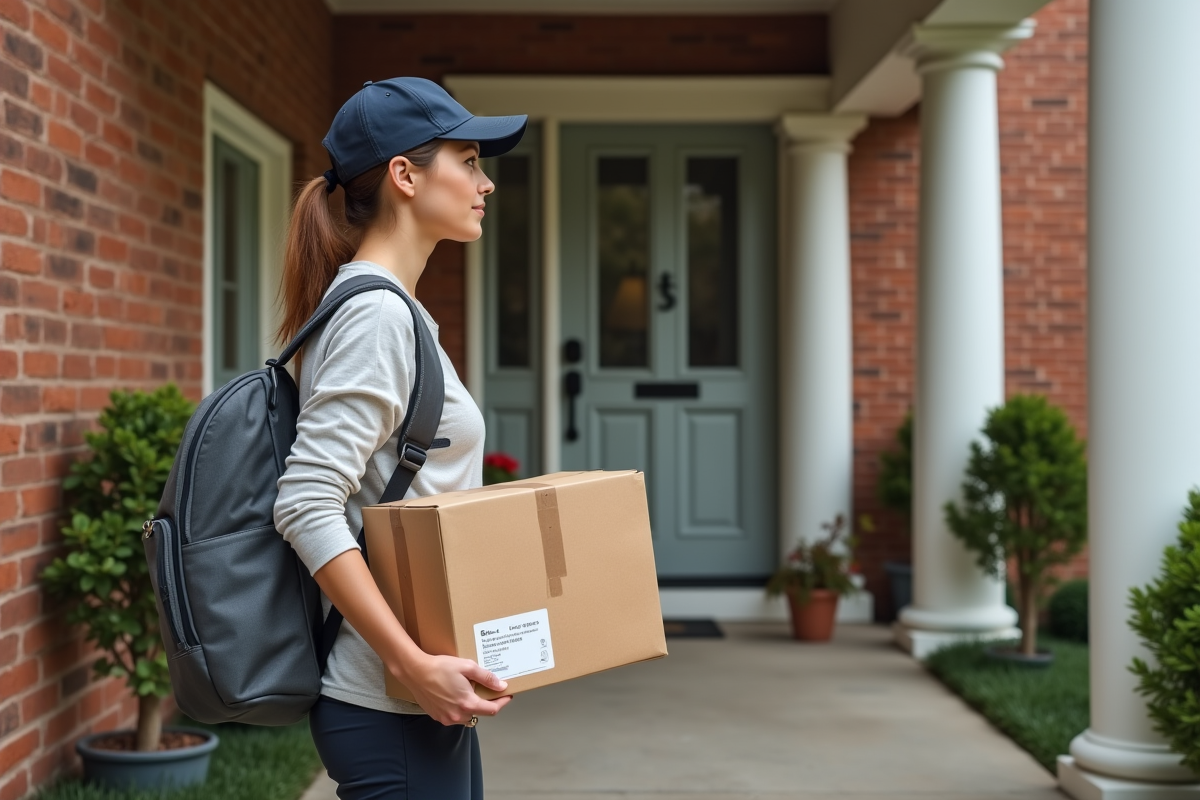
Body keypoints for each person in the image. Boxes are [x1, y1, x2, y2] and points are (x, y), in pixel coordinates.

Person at [272, 77, 528, 799]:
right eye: (470, 160)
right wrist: (411, 664)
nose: (486, 184)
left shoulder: (390, 309)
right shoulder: (376, 317)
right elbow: (307, 503)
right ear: (405, 175)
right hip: (390, 698)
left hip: (418, 696)